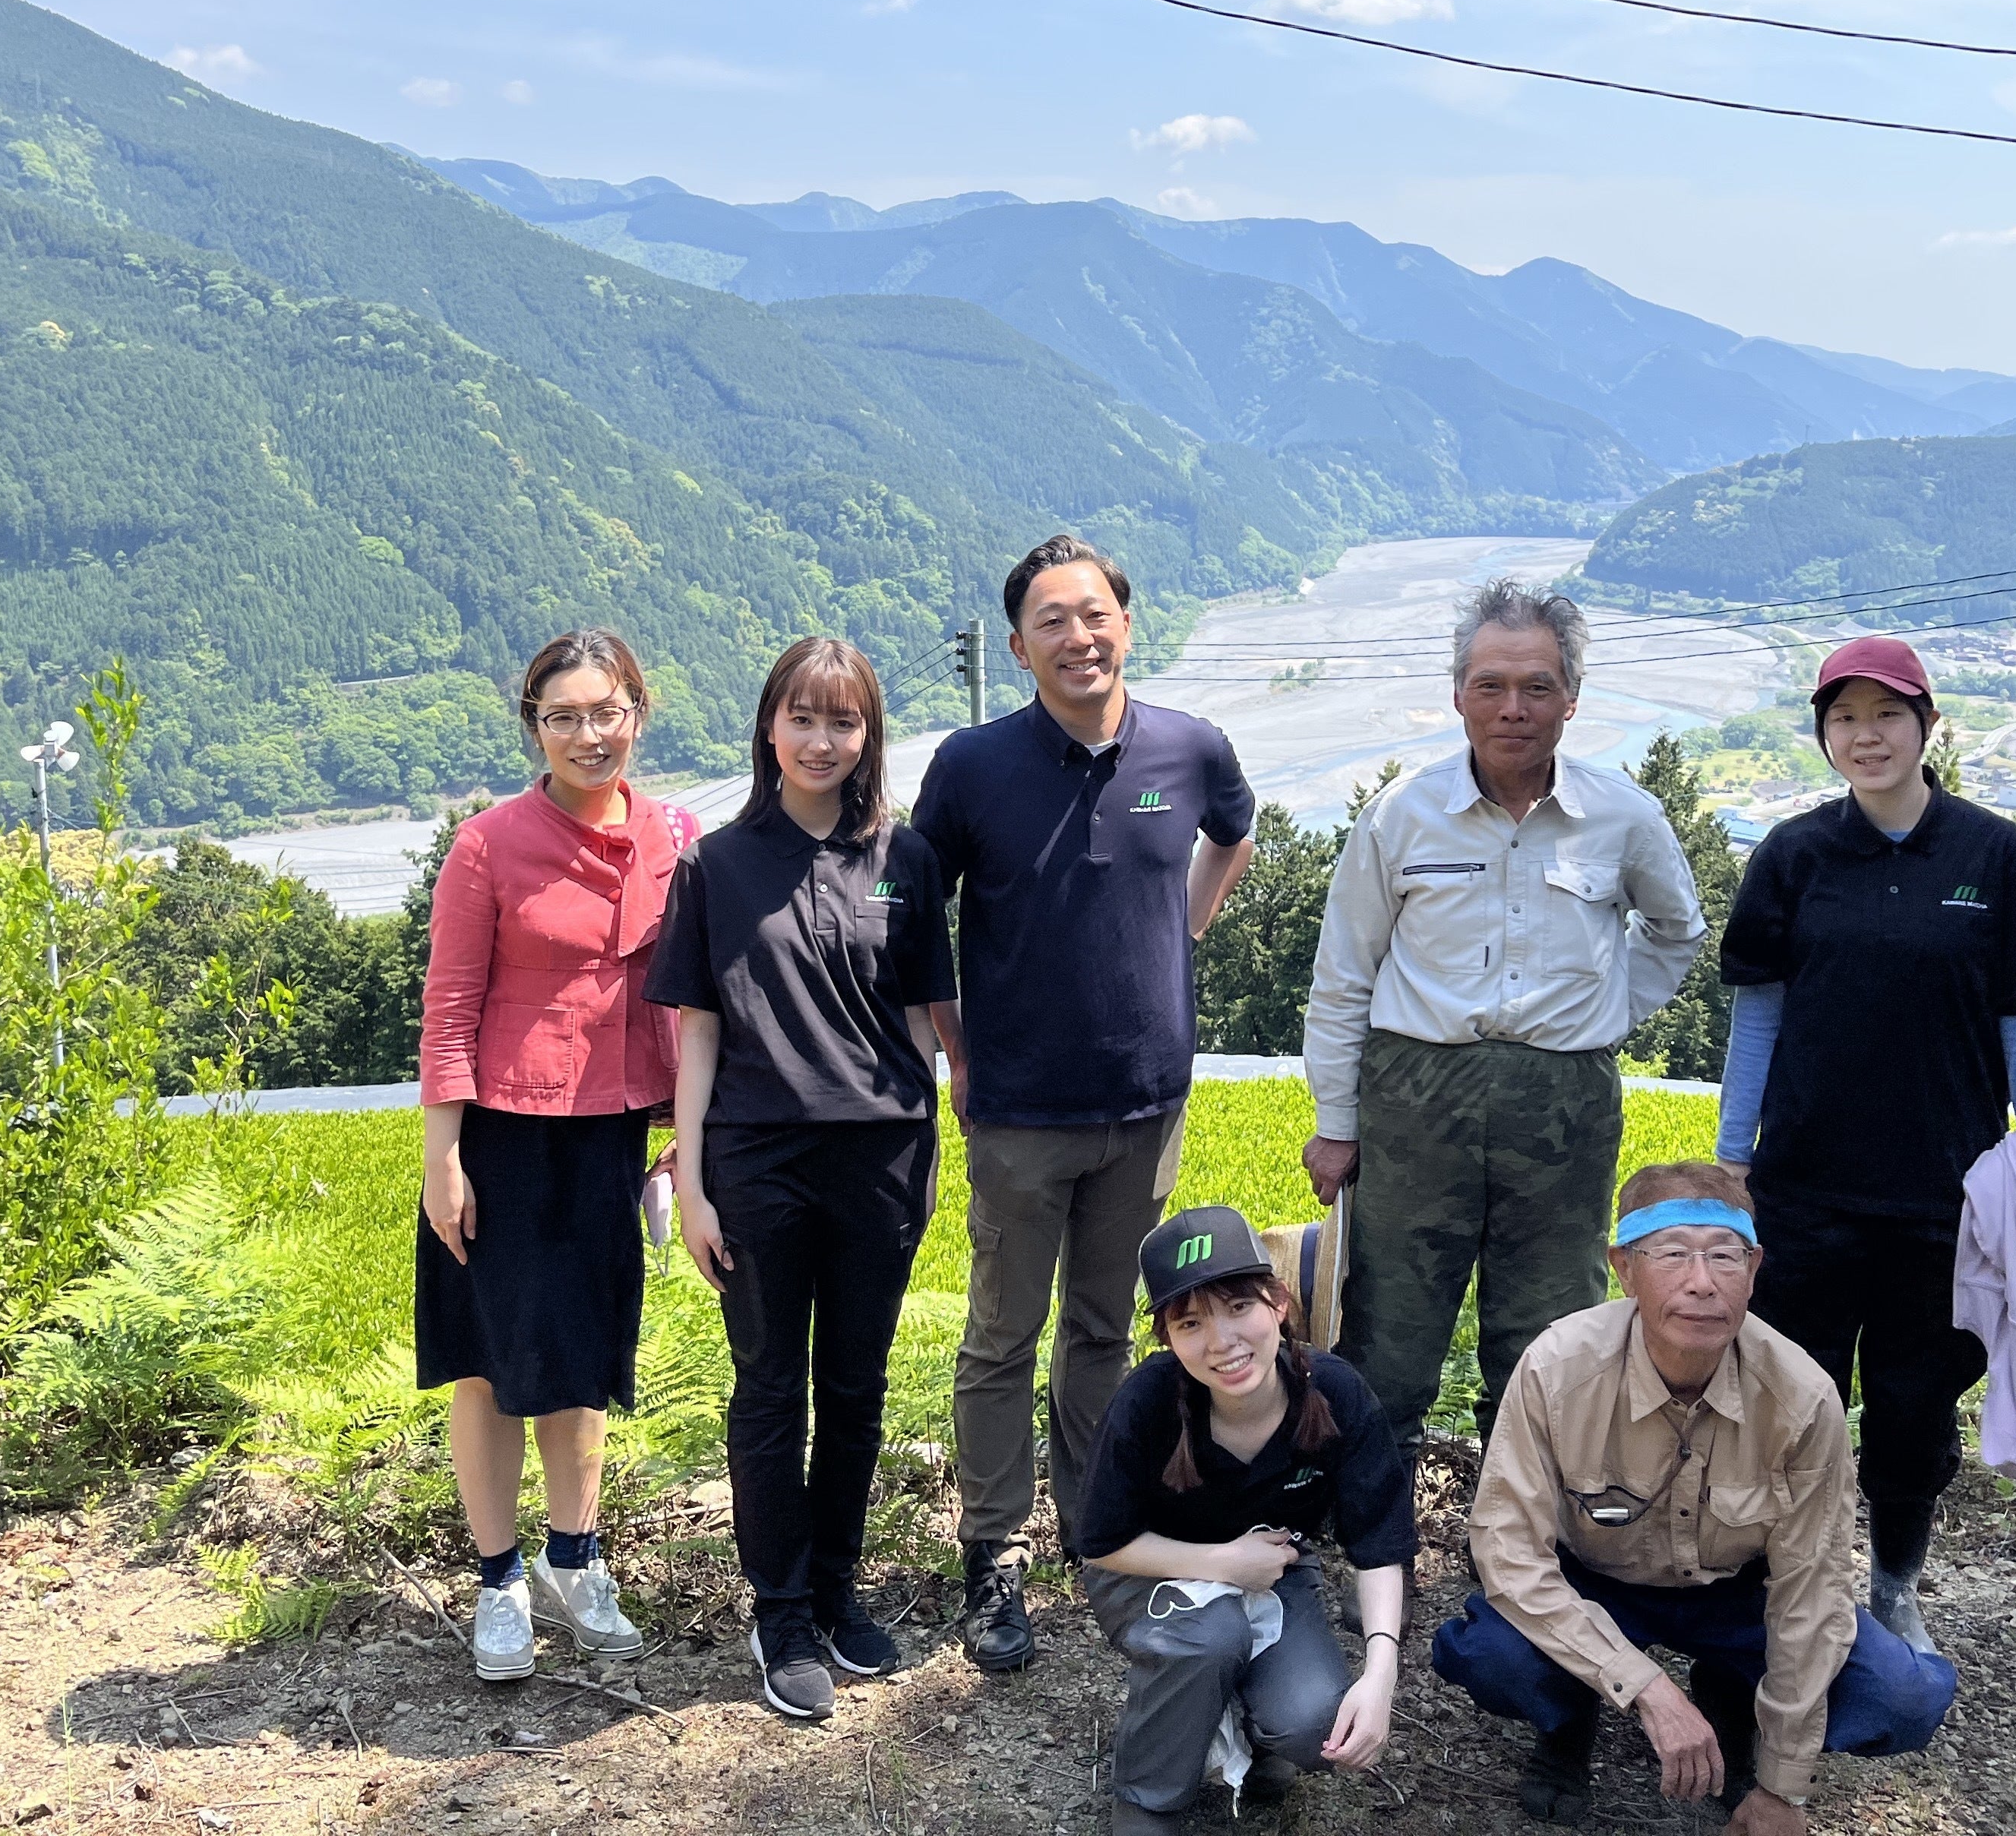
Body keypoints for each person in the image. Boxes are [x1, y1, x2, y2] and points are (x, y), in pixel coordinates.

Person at [913, 533, 1259, 1671]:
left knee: (1107, 1331)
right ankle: (993, 1552)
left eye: (1095, 613)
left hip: (1146, 1102)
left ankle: (1098, 1532)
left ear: (1126, 623)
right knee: (1002, 1337)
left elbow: (1233, 834)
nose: (1079, 636)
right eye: (1051, 621)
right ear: (1019, 649)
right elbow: (911, 909)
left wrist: (1181, 935)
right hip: (1018, 1109)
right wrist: (952, 1043)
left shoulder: (1189, 746)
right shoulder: (972, 765)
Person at [1715, 635, 2016, 1651]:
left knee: (1915, 1414)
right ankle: (1795, 1586)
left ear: (1927, 726)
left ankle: (1895, 1585)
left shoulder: (1995, 857)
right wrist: (1734, 1158)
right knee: (1794, 1401)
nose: (1865, 736)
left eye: (1886, 715)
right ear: (1823, 734)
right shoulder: (1794, 856)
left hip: (1946, 1198)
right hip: (1804, 1189)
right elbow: (1758, 1017)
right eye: (1844, 718)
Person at [1300, 577, 1707, 1468]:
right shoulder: (1401, 815)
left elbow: (1677, 931)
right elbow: (1344, 975)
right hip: (1416, 1096)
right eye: (1490, 685)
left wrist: (1608, 1008)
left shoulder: (1622, 816)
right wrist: (1335, 1122)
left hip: (1564, 1104)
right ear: (1458, 695)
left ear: (1571, 699)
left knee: (1550, 1326)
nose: (1512, 708)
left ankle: (1531, 1519)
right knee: (1391, 1324)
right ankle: (1371, 1516)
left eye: (1536, 687)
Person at [1430, 1162, 1956, 1832]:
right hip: (1593, 1584)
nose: (1702, 1282)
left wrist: (1783, 1788)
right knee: (1492, 1656)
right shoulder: (1557, 1370)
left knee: (1901, 1698)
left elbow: (1812, 1590)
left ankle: (1732, 1698)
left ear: (1754, 1269)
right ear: (1624, 1269)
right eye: (1673, 1254)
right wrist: (1642, 1685)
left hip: (1737, 1593)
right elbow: (1508, 1552)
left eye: (1725, 1256)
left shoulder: (1802, 1397)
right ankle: (1569, 1718)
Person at [648, 638, 956, 1724]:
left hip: (881, 1160)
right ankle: (779, 1612)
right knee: (772, 1389)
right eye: (804, 719)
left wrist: (938, 1135)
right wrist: (691, 1182)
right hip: (758, 1163)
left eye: (845, 722)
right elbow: (696, 1033)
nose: (823, 742)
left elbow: (923, 1018)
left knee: (858, 1388)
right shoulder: (716, 866)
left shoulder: (905, 859)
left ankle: (837, 1589)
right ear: (769, 728)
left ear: (869, 736)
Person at [416, 629, 694, 1683]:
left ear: (639, 713)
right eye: (563, 717)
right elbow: (450, 1006)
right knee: (489, 1362)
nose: (588, 735)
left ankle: (573, 1559)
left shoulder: (676, 834)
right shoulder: (489, 845)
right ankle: (498, 1581)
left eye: (606, 712)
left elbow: (691, 1000)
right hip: (503, 1133)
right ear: (533, 726)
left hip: (612, 1128)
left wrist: (683, 1134)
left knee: (583, 1357)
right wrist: (443, 1157)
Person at [1079, 1206, 1414, 1836]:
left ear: (1278, 1302)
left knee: (1317, 1725)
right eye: (1190, 1322)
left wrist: (1380, 1674)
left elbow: (1380, 1546)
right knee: (1211, 1635)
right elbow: (1100, 1543)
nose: (1222, 1341)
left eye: (1239, 1307)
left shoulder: (1335, 1392)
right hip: (1145, 1571)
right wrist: (1222, 1564)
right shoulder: (1147, 1401)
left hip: (1271, 1571)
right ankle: (1148, 1795)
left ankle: (1256, 1733)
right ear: (1167, 1339)